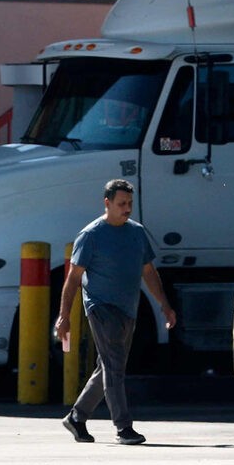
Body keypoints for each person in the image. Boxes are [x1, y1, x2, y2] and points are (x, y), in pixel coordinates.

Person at [55, 177, 176, 445]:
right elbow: (73, 279)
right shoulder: (91, 235)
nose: (127, 208)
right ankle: (123, 427)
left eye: (130, 203)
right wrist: (64, 316)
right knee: (114, 367)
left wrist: (165, 305)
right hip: (100, 307)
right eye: (122, 203)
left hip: (127, 309)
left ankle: (76, 417)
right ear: (107, 203)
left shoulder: (137, 233)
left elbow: (148, 271)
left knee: (108, 367)